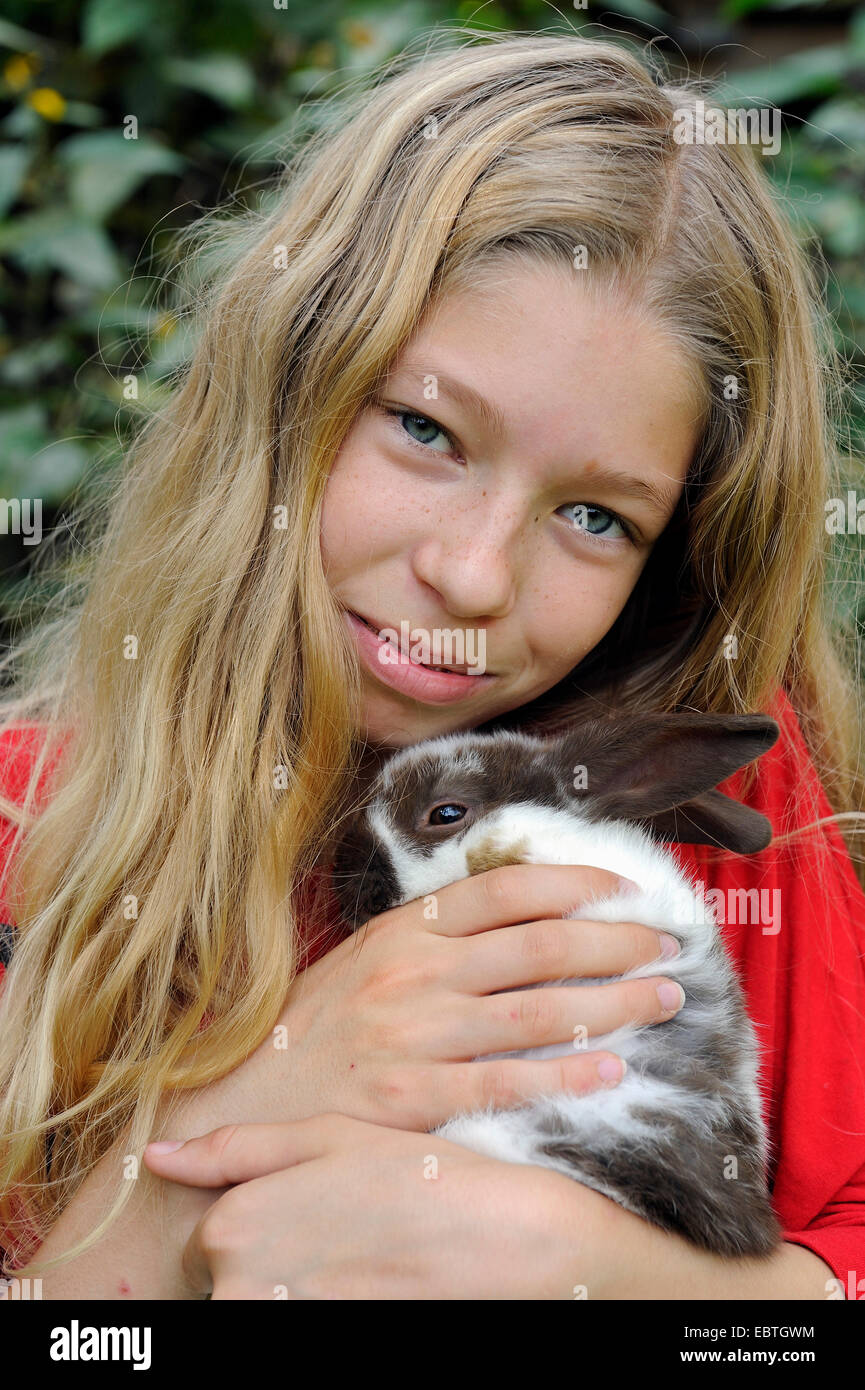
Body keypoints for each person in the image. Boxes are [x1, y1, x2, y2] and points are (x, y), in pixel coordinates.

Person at [1, 29, 864, 1300]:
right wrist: (197, 1175)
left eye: (595, 517)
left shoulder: (688, 810)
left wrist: (620, 1277)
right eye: (425, 428)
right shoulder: (29, 825)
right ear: (289, 384)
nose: (472, 577)